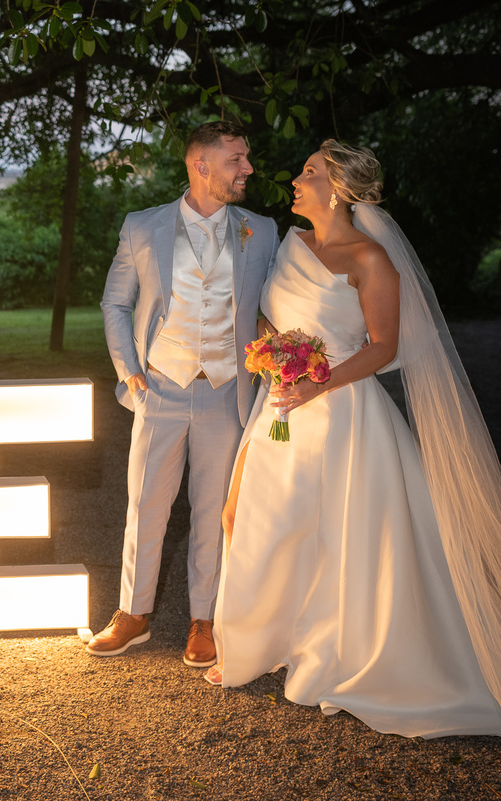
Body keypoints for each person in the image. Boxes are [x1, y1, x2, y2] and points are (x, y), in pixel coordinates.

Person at [209, 140, 501, 738]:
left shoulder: (370, 260)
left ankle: (332, 652)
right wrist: (272, 350)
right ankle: (269, 639)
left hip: (340, 412)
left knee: (334, 536)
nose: (296, 178)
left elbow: (384, 346)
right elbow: (273, 316)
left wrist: (317, 382)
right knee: (241, 516)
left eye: (310, 172)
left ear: (338, 189)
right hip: (282, 403)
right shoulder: (293, 246)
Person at [92, 121, 279, 666]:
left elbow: (273, 305)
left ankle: (206, 619)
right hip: (161, 386)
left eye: (246, 159)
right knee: (145, 503)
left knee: (215, 508)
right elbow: (115, 304)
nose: (247, 169)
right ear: (200, 165)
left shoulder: (261, 230)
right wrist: (130, 371)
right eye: (236, 160)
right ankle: (132, 612)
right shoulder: (142, 226)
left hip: (228, 390)